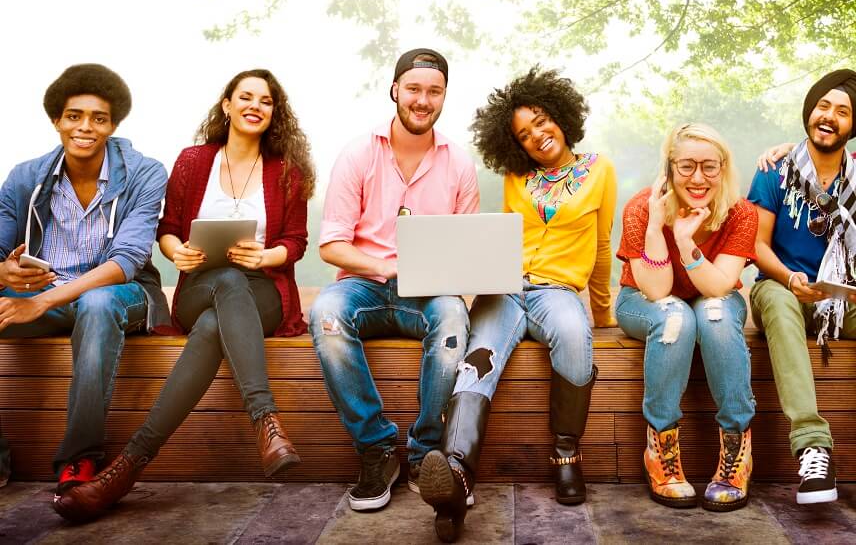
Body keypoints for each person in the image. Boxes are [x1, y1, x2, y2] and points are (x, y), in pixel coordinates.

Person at [53, 69, 314, 522]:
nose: (255, 105)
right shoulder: (194, 161)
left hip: (263, 293)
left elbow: (296, 241)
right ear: (227, 105)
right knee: (222, 288)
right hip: (199, 287)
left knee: (224, 309)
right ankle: (266, 421)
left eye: (266, 100)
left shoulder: (285, 171)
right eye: (245, 97)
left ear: (275, 113)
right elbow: (167, 229)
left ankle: (125, 469)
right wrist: (179, 252)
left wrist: (265, 256)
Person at [419, 68, 616, 543]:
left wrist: (603, 312)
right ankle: (456, 472)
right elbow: (504, 237)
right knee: (477, 358)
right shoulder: (515, 176)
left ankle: (567, 455)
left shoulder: (599, 171)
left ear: (562, 117)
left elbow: (603, 245)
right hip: (505, 289)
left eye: (542, 122)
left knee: (573, 335)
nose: (537, 136)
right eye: (524, 135)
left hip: (558, 291)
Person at [308, 48, 478, 513]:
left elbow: (466, 249)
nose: (423, 100)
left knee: (451, 316)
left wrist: (454, 274)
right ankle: (377, 449)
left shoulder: (459, 164)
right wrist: (385, 266)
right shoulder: (358, 154)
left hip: (425, 294)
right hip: (363, 283)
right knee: (325, 312)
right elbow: (331, 246)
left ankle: (425, 454)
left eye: (434, 91)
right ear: (395, 91)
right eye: (415, 89)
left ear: (444, 97)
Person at [0, 64, 168, 495]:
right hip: (42, 291)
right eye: (74, 116)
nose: (85, 127)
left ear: (113, 125)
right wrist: (6, 272)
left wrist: (41, 303)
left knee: (96, 304)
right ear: (57, 120)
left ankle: (79, 458)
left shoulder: (146, 173)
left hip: (120, 294)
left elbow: (127, 260)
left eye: (99, 118)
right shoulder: (25, 176)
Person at [615, 123, 757, 512]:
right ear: (669, 168)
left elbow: (719, 286)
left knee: (713, 315)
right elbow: (657, 291)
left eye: (710, 167)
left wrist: (685, 240)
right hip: (641, 299)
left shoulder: (741, 212)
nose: (698, 178)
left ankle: (736, 449)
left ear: (724, 168)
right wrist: (660, 226)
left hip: (711, 294)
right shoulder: (642, 207)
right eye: (687, 166)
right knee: (675, 317)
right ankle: (660, 448)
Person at [748, 69, 856, 505]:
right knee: (776, 298)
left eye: (843, 111)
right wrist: (791, 278)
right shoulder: (774, 171)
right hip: (781, 287)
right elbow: (756, 246)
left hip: (840, 298)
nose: (829, 117)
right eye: (823, 106)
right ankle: (812, 446)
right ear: (809, 112)